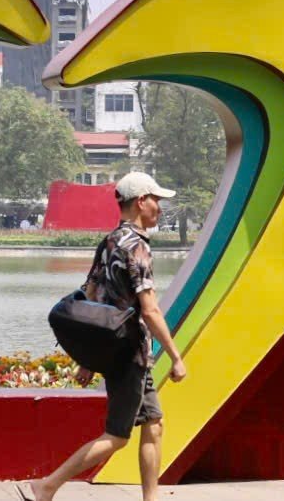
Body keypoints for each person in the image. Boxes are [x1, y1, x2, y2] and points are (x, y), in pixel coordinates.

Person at [25, 172, 187, 501]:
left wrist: (87, 359)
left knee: (153, 423)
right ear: (141, 201)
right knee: (117, 436)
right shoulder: (138, 247)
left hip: (119, 351)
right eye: (156, 200)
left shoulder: (111, 240)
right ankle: (47, 485)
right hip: (130, 354)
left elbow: (91, 297)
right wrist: (176, 355)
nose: (159, 207)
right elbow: (151, 309)